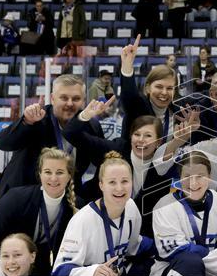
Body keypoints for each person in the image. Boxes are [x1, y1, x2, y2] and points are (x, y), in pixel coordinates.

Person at [64, 97, 173, 235]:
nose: (141, 140)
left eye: (148, 135)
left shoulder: (164, 164)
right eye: (137, 134)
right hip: (98, 224)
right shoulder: (117, 148)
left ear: (159, 141)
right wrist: (86, 115)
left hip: (141, 235)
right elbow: (70, 133)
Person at [0, 148, 76, 276]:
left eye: (60, 172)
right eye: (48, 172)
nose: (53, 178)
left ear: (69, 175)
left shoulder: (77, 207)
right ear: (40, 174)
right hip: (0, 260)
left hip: (37, 265)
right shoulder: (15, 199)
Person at [0, 74, 102, 197]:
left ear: (84, 101)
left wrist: (88, 193)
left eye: (76, 99)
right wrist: (26, 122)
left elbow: (103, 163)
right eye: (63, 98)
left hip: (67, 196)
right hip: (23, 194)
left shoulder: (91, 126)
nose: (69, 103)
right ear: (52, 98)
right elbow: (3, 143)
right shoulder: (37, 118)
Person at [52, 153, 152, 276]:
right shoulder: (82, 221)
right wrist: (91, 272)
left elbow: (134, 246)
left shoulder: (131, 207)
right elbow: (59, 272)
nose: (119, 188)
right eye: (112, 182)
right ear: (101, 185)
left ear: (132, 182)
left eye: (125, 181)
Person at [153, 151, 217, 276]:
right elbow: (176, 249)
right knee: (191, 262)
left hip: (212, 272)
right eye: (187, 176)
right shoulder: (164, 206)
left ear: (210, 176)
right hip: (173, 271)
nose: (193, 183)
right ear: (179, 177)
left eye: (200, 176)